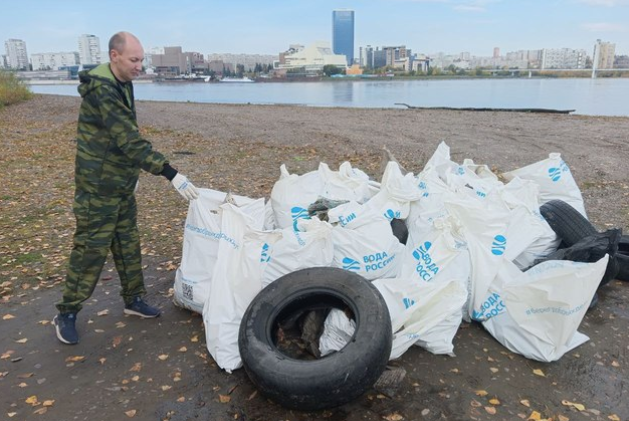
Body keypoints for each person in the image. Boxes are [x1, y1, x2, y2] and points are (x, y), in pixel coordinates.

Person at [53, 31, 199, 345]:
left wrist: (132, 175)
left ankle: (133, 300)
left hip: (120, 184)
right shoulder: (103, 91)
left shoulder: (122, 82)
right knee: (91, 251)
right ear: (114, 56)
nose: (139, 66)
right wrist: (170, 172)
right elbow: (129, 140)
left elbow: (126, 136)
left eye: (142, 59)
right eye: (134, 60)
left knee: (127, 244)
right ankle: (66, 312)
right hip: (98, 188)